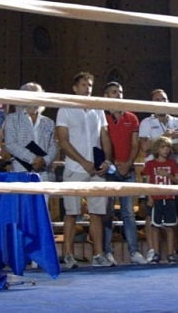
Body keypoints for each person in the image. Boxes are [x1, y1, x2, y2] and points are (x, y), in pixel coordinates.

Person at [56, 71, 113, 269]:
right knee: (72, 213)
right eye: (83, 85)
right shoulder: (65, 108)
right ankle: (68, 255)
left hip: (96, 169)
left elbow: (104, 135)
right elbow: (63, 141)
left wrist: (107, 160)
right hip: (74, 168)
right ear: (74, 88)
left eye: (89, 85)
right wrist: (83, 162)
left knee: (97, 213)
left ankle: (98, 254)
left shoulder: (98, 108)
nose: (87, 88)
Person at [137, 88, 178, 261]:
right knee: (150, 213)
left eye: (164, 99)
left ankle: (177, 250)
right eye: (157, 99)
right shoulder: (145, 123)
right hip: (153, 172)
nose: (161, 102)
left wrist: (162, 142)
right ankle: (153, 250)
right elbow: (145, 147)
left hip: (175, 169)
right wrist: (168, 137)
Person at [101, 81, 146, 265]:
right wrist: (112, 165)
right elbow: (101, 143)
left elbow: (135, 144)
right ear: (106, 96)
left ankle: (134, 252)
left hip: (128, 169)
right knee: (107, 212)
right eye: (113, 92)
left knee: (128, 213)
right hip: (109, 170)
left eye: (120, 91)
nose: (118, 94)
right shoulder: (101, 117)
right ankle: (107, 252)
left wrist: (128, 164)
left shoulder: (132, 117)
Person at [3, 82, 57, 181]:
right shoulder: (12, 119)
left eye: (38, 95)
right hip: (21, 172)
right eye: (33, 95)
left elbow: (53, 147)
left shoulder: (49, 122)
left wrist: (44, 161)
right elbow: (10, 144)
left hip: (44, 173)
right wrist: (32, 159)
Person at [142, 136, 178, 263]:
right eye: (163, 147)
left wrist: (167, 175)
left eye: (168, 147)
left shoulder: (172, 164)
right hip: (156, 199)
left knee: (170, 226)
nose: (166, 150)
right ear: (157, 149)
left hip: (169, 198)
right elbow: (147, 183)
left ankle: (170, 253)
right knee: (155, 226)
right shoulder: (150, 165)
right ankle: (156, 253)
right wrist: (149, 197)